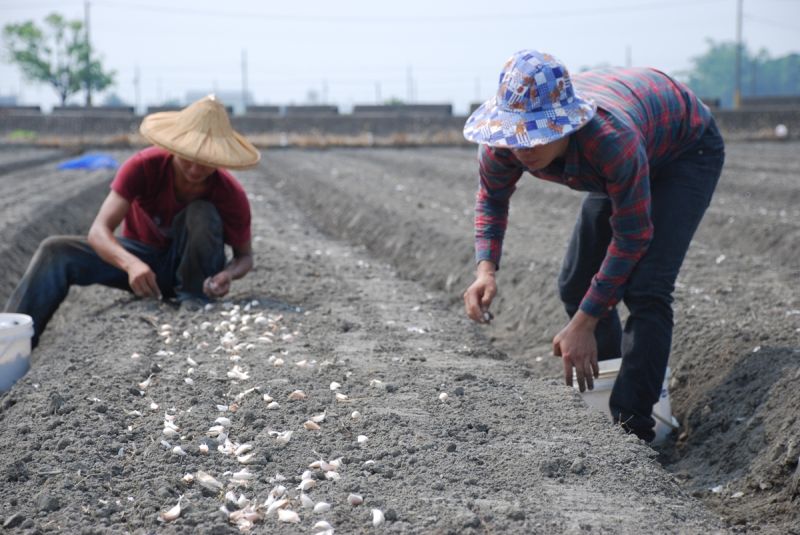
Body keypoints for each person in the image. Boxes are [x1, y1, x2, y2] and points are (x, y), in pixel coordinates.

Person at [462, 50, 725, 442]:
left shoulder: (609, 142)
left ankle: (633, 429)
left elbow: (633, 235)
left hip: (685, 148)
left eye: (537, 133)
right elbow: (492, 199)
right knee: (575, 283)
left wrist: (584, 324)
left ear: (565, 125)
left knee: (647, 288)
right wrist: (486, 269)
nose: (525, 146)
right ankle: (610, 391)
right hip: (633, 143)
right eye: (517, 132)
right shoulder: (504, 144)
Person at [4, 95, 261, 348]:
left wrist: (227, 274)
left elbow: (244, 257)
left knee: (201, 211)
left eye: (205, 162)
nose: (195, 169)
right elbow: (99, 231)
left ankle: (191, 297)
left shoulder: (229, 193)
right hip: (144, 265)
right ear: (175, 147)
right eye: (188, 158)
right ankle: (13, 344)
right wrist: (131, 264)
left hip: (198, 275)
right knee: (56, 251)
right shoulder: (143, 167)